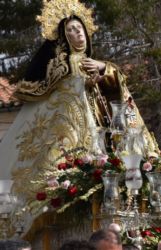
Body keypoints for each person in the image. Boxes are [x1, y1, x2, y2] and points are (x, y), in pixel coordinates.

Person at [0, 0, 153, 236]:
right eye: (70, 29)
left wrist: (103, 70)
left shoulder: (95, 61)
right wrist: (84, 82)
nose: (77, 32)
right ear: (63, 38)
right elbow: (66, 94)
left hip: (104, 129)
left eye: (80, 27)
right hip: (79, 134)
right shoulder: (64, 64)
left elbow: (117, 90)